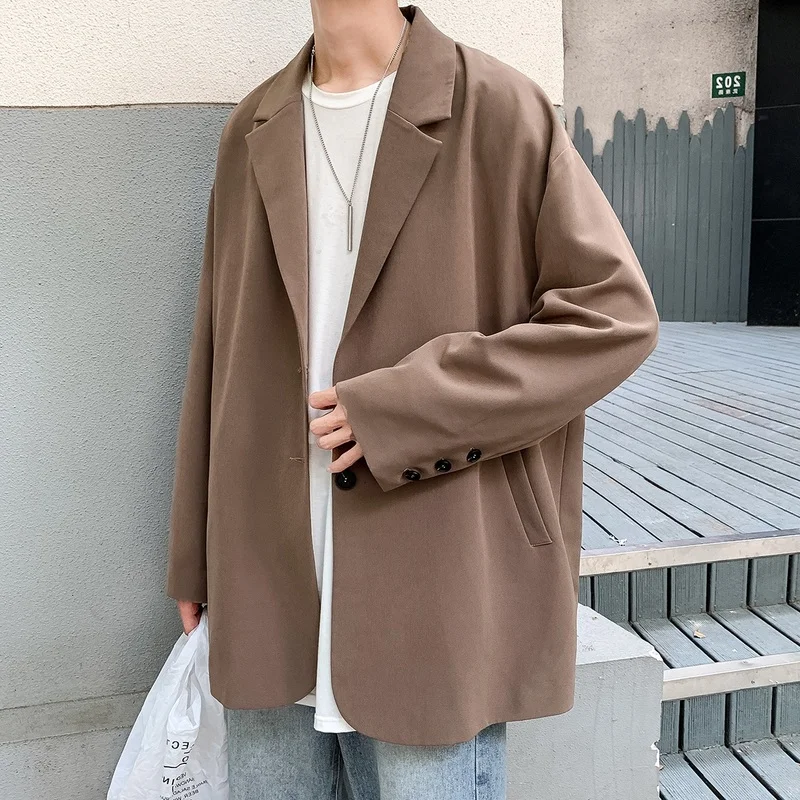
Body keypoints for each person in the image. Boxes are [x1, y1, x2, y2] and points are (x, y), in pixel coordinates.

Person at [165, 2, 660, 798]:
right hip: (268, 575)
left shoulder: (500, 110)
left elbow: (614, 318)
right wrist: (195, 552)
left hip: (436, 577)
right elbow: (216, 351)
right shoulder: (253, 127)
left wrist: (408, 411)